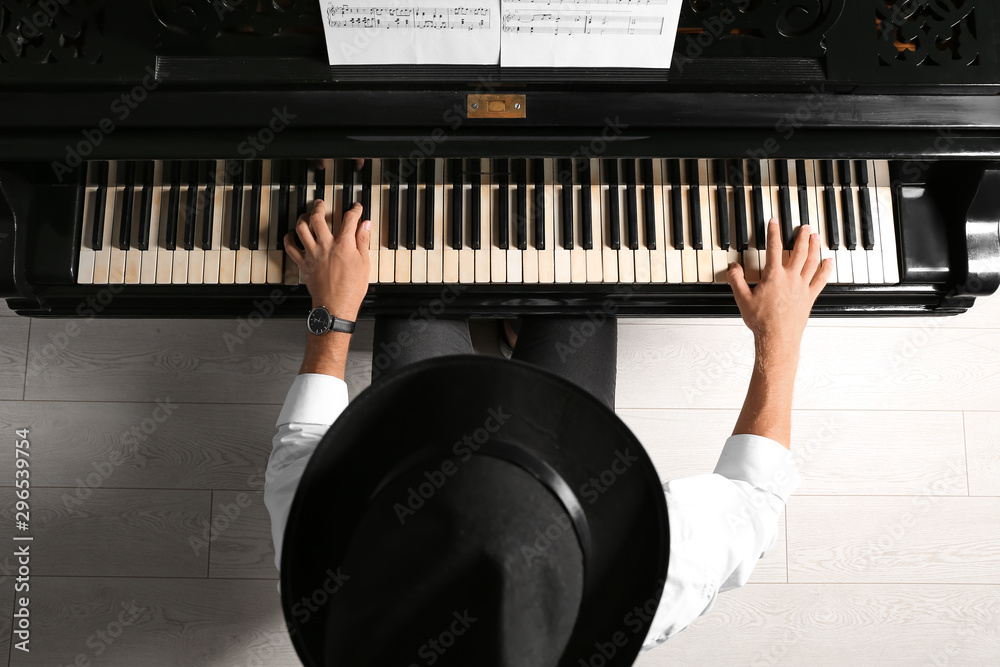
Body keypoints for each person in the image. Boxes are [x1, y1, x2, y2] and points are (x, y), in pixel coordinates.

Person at [265, 197, 833, 666]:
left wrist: (332, 313)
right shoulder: (639, 590)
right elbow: (752, 499)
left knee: (414, 270)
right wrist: (778, 337)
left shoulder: (330, 576)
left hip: (425, 435)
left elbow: (299, 450)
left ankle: (501, 314)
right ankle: (522, 322)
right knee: (585, 262)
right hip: (561, 455)